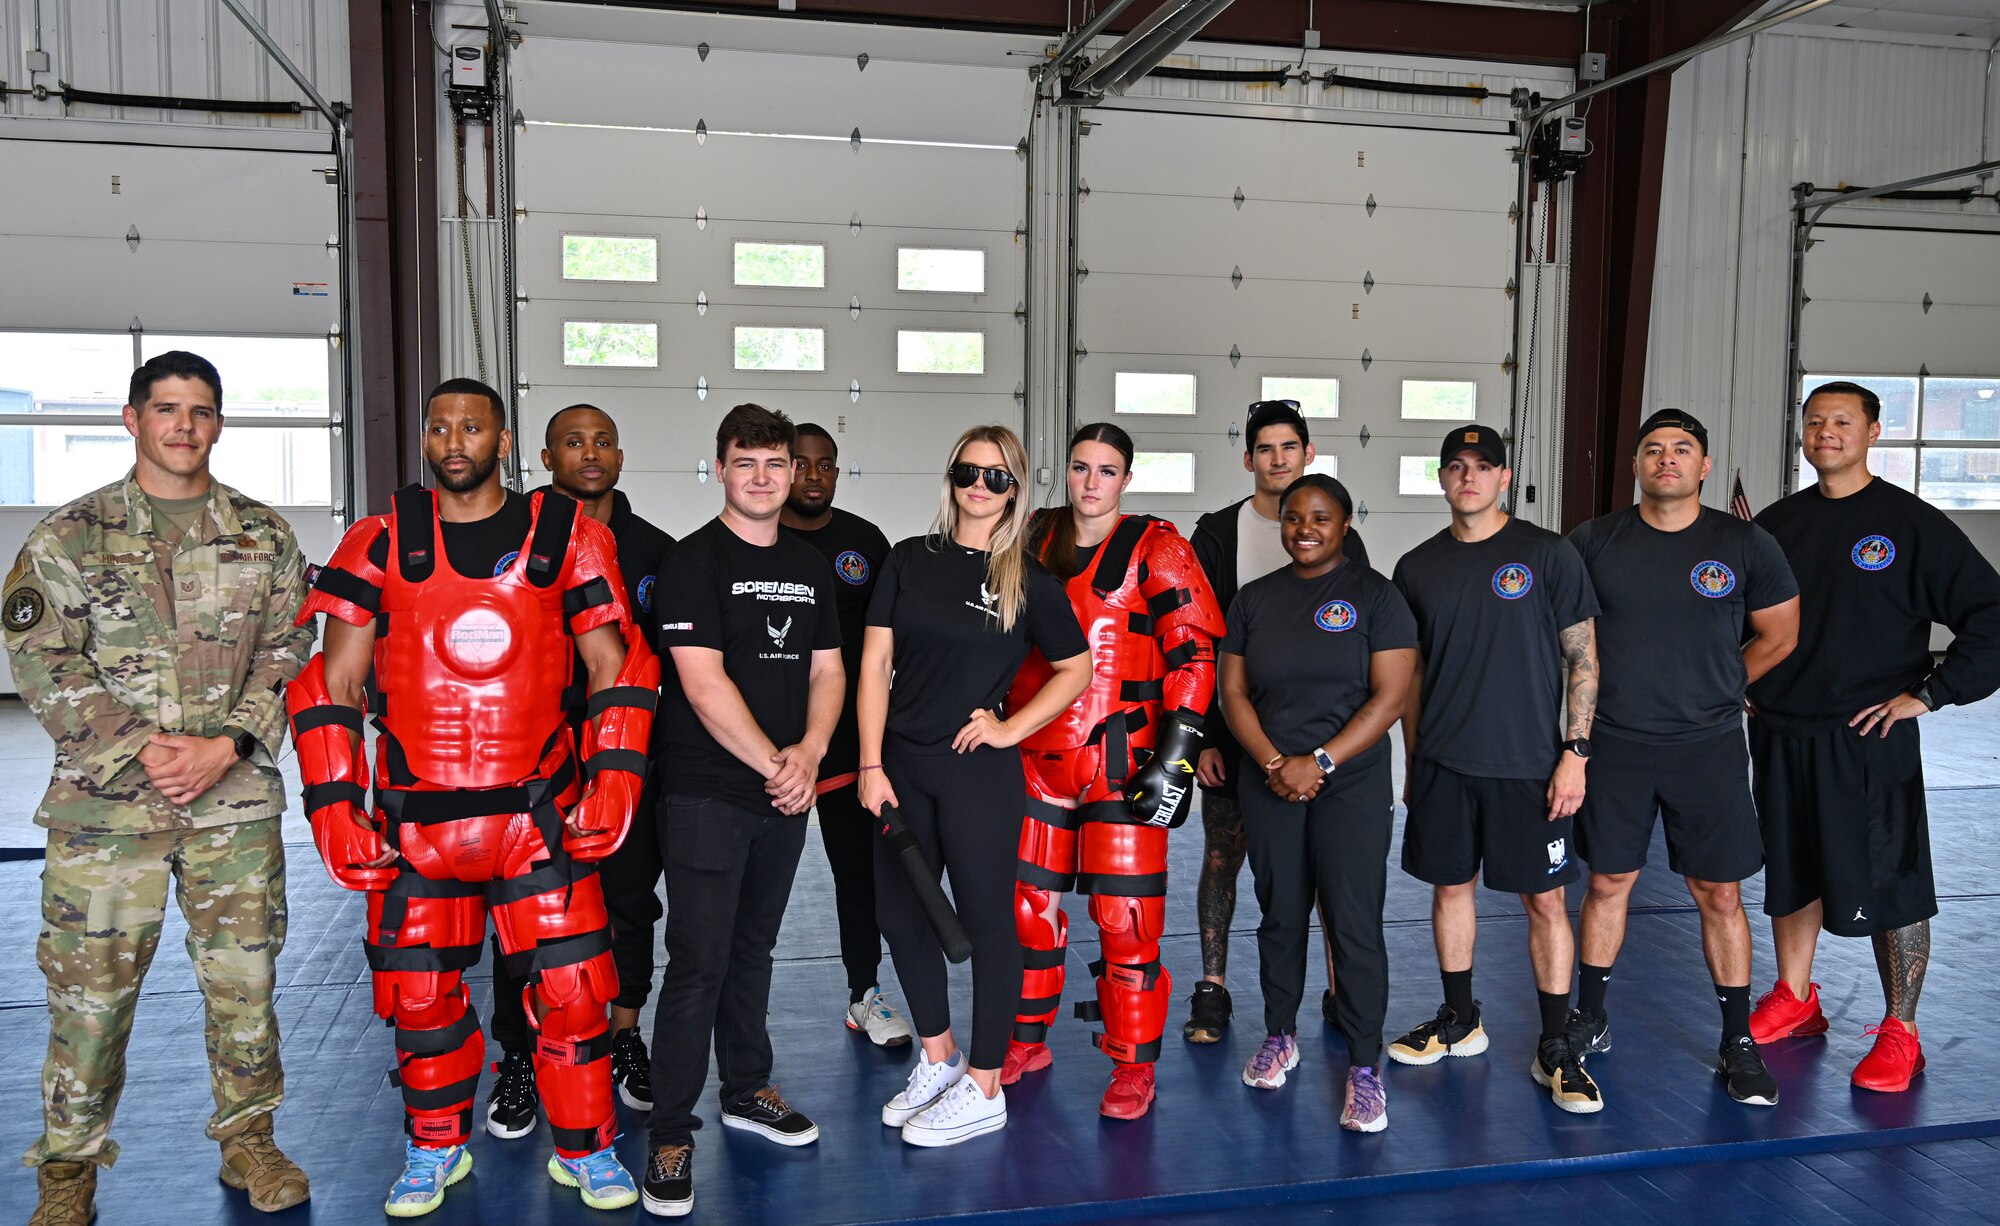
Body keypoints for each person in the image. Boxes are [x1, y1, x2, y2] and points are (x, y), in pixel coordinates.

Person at [290, 378, 658, 1216]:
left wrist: (614, 781)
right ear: (424, 440)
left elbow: (618, 665)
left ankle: (587, 1149)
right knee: (420, 1000)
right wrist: (333, 807)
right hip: (417, 821)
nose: (454, 441)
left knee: (573, 994)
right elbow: (333, 682)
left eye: (472, 426)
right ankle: (434, 1150)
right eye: (439, 427)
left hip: (537, 816)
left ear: (503, 439)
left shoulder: (565, 537)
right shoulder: (376, 542)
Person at [5, 350, 314, 1225]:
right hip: (108, 814)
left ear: (219, 423)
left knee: (245, 984)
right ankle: (68, 1172)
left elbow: (290, 644)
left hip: (233, 803)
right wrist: (145, 750)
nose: (185, 425)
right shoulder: (70, 536)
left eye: (202, 410)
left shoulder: (263, 534)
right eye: (168, 408)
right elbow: (40, 660)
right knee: (91, 995)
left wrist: (226, 745)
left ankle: (248, 1140)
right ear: (133, 419)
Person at [1745, 381, 2000, 1092]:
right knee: (1791, 872)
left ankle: (1903, 1031)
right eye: (1815, 421)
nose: (1827, 432)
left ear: (1874, 431)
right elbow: (1740, 619)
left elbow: (1991, 614)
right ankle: (1796, 998)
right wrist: (1739, 683)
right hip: (1782, 729)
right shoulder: (1776, 526)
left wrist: (1930, 693)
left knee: (1892, 881)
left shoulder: (1909, 523)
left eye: (1843, 421)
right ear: (1802, 433)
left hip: (1867, 735)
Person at [857, 424, 1091, 1147]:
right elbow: (873, 666)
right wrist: (869, 763)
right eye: (969, 471)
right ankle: (938, 1058)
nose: (980, 486)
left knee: (989, 925)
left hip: (976, 774)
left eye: (997, 477)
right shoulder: (906, 561)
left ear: (1016, 489)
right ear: (951, 474)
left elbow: (1075, 668)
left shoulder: (1029, 579)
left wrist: (1012, 728)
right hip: (900, 764)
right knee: (899, 917)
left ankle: (986, 1086)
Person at [643, 404, 843, 1217]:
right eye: (746, 462)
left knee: (755, 948)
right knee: (698, 960)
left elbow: (829, 671)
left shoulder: (810, 564)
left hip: (787, 790)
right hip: (705, 794)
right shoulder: (693, 563)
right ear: (719, 469)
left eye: (775, 463)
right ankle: (668, 1130)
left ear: (793, 474)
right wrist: (777, 763)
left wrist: (812, 756)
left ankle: (747, 1088)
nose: (762, 477)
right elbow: (702, 681)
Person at [1568, 409, 1799, 1107]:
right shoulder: (1593, 542)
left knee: (1720, 895)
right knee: (1608, 884)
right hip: (1617, 742)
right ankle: (1591, 1017)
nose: (1666, 459)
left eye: (1682, 450)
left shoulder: (1744, 542)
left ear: (1703, 467)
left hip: (1708, 747)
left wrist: (1726, 685)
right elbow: (1570, 639)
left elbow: (1780, 632)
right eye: (1653, 450)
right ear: (1637, 466)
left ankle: (1737, 1040)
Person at [999, 423, 1226, 1120]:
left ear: (1126, 478)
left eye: (1106, 470)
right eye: (1078, 468)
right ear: (1064, 473)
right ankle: (1025, 1038)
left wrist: (1178, 756)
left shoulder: (1158, 546)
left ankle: (1132, 1067)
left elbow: (1194, 656)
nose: (1090, 482)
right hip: (1035, 754)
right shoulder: (1028, 536)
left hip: (1121, 762)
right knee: (1027, 914)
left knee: (1125, 921)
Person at [1386, 424, 1606, 1115]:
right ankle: (1460, 1019)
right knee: (1450, 890)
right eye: (1456, 466)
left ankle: (1554, 1046)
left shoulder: (1547, 554)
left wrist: (1575, 753)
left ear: (1505, 477)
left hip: (1528, 767)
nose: (1469, 477)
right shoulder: (1417, 567)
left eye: (1483, 467)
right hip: (1448, 763)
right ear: (1442, 477)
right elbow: (1412, 676)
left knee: (1545, 902)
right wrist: (1415, 759)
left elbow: (1584, 659)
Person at [485, 403, 676, 1139]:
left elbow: (660, 664)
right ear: (544, 456)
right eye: (573, 442)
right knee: (521, 913)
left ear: (620, 457)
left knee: (627, 902)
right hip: (522, 764)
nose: (589, 454)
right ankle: (522, 1056)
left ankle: (623, 1034)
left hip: (618, 759)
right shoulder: (506, 536)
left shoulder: (653, 549)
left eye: (603, 441)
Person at [1217, 474, 1417, 1133]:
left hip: (1350, 785)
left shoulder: (1377, 597)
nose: (1305, 527)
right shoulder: (1255, 601)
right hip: (1271, 780)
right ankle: (1281, 1034)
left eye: (1321, 517)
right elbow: (1234, 695)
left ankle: (1364, 1069)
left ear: (1346, 522)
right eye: (1294, 516)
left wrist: (1321, 761)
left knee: (1354, 923)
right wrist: (1277, 763)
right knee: (1279, 915)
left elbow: (1388, 697)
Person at [1185, 400, 1368, 1043]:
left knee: (1320, 869)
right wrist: (1207, 734)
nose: (1278, 459)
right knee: (1221, 856)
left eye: (1289, 447)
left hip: (1320, 735)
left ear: (1307, 454)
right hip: (1240, 730)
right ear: (1248, 459)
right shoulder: (1216, 533)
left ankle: (1339, 990)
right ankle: (1213, 987)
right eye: (1265, 449)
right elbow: (1199, 640)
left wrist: (1335, 750)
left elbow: (1359, 640)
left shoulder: (1339, 531)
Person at [777, 421, 912, 1047]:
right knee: (753, 884)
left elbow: (894, 644)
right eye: (800, 464)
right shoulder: (757, 538)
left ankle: (865, 994)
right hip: (769, 739)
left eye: (825, 464)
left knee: (857, 871)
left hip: (850, 740)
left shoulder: (864, 541)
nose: (812, 475)